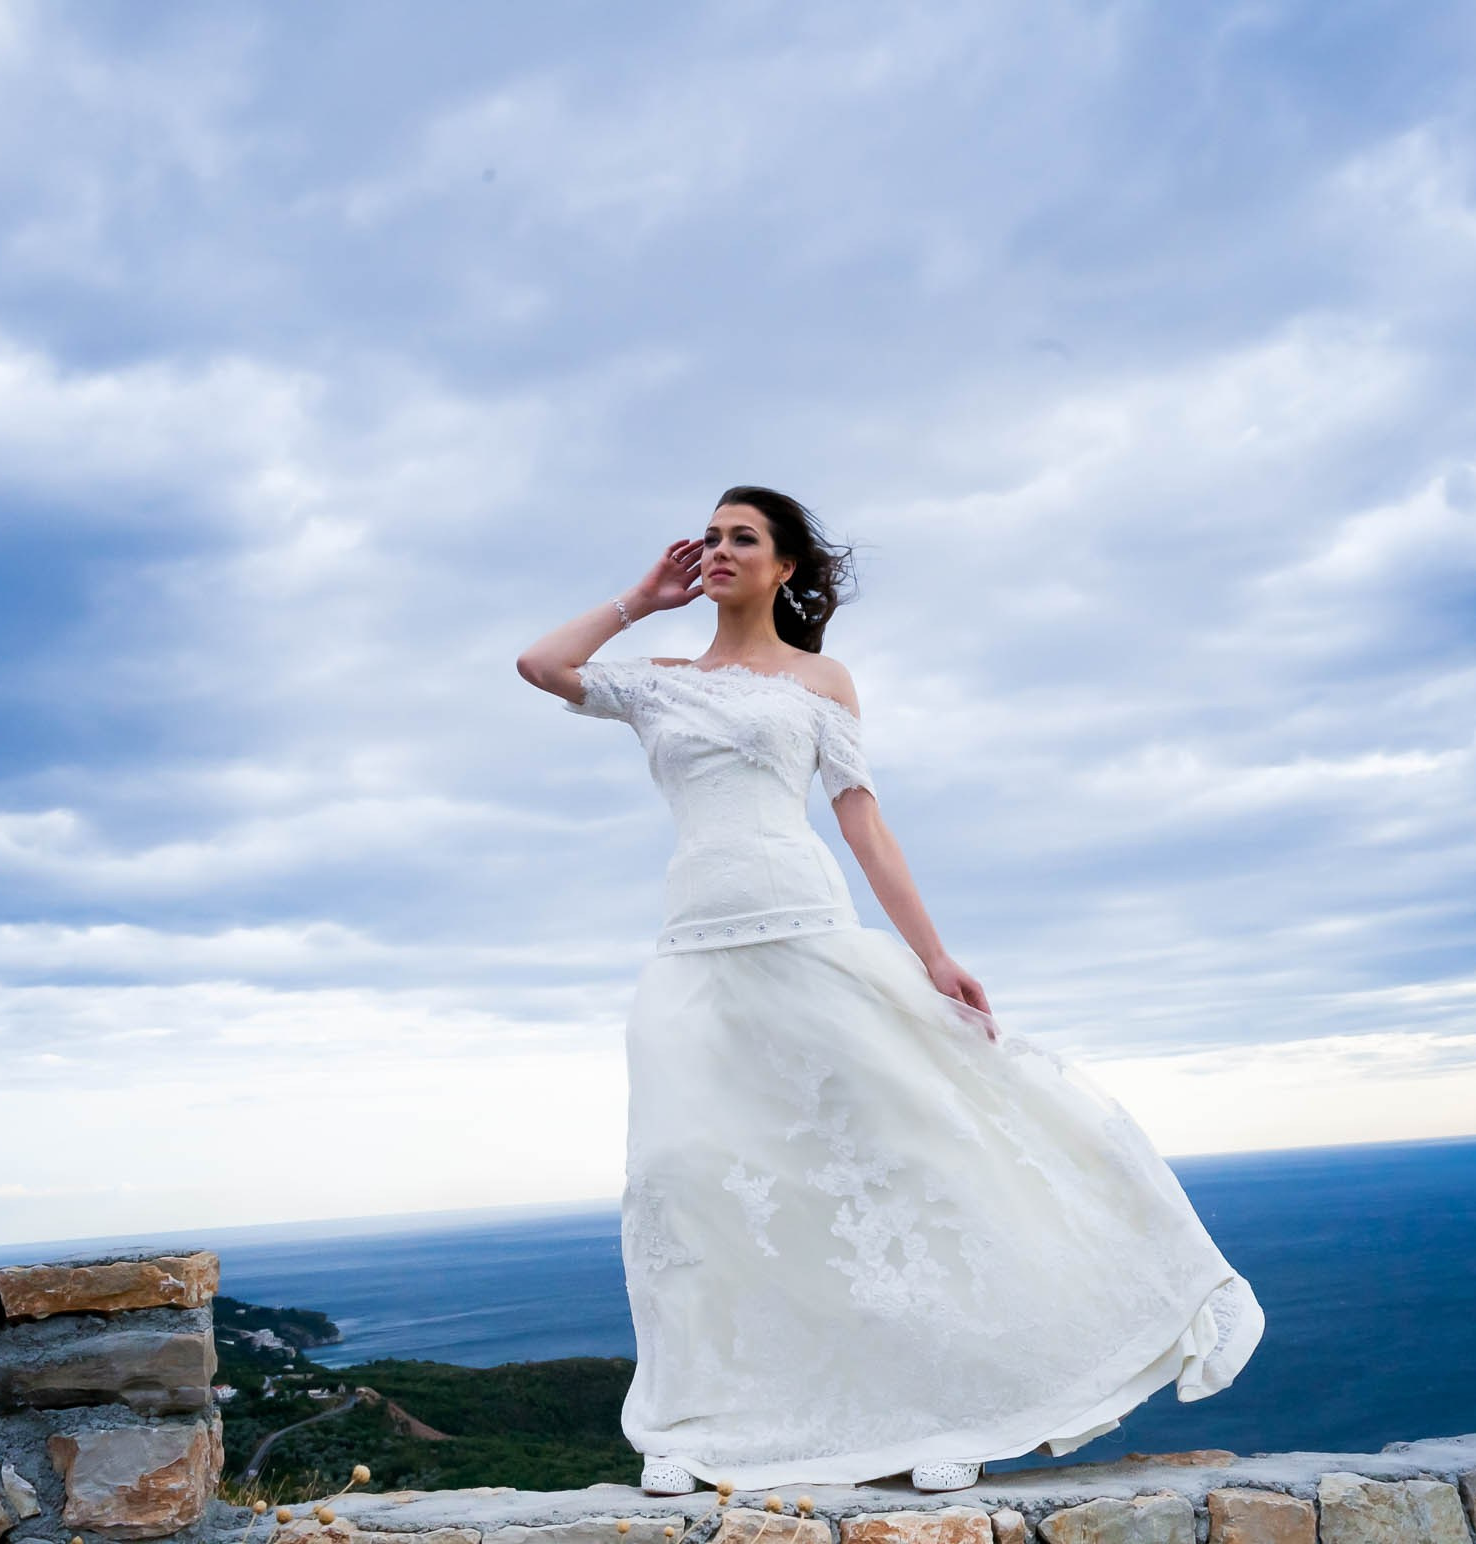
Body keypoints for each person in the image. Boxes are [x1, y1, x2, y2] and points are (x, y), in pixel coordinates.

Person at [516, 486, 1263, 1495]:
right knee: (683, 1177)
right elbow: (542, 665)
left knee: (900, 1154)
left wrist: (934, 956)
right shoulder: (659, 682)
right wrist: (641, 600)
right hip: (692, 950)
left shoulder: (821, 681)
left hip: (807, 928)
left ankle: (958, 1410)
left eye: (745, 538)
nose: (721, 549)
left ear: (785, 566)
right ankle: (695, 1430)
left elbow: (863, 820)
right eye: (713, 536)